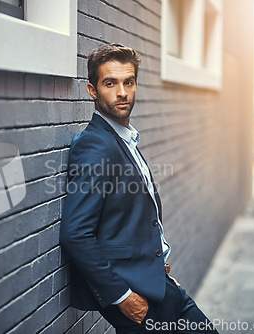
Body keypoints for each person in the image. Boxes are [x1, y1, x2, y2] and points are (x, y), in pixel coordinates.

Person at [59, 43, 218, 334]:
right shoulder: (96, 146)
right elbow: (75, 234)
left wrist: (156, 271)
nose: (122, 92)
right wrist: (123, 297)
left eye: (128, 82)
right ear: (92, 90)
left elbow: (129, 218)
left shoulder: (123, 139)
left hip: (156, 285)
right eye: (110, 83)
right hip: (135, 300)